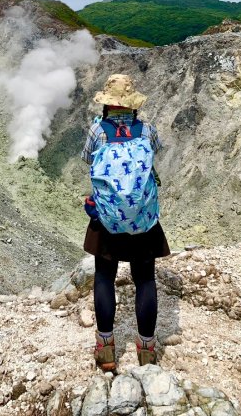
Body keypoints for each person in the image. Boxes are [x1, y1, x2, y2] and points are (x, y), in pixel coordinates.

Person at [81, 73, 170, 371]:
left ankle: (106, 350)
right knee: (145, 279)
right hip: (143, 218)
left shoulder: (98, 130)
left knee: (104, 276)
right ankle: (146, 351)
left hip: (107, 219)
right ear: (132, 105)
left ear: (107, 104)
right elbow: (156, 153)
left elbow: (87, 159)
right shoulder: (147, 130)